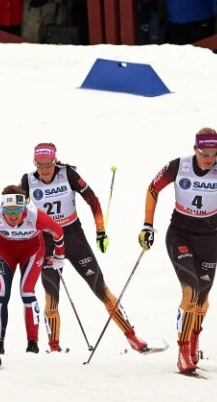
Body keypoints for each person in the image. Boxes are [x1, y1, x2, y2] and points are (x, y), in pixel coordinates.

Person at [138, 128, 217, 374]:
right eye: (204, 153)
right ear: (195, 149)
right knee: (190, 291)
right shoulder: (179, 166)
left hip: (209, 240)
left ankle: (194, 339)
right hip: (179, 235)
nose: (209, 158)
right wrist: (147, 225)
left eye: (214, 153)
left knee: (202, 300)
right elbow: (153, 188)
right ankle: (183, 352)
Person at [20, 143, 149, 354]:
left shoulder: (67, 174)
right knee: (51, 298)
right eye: (39, 165)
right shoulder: (28, 180)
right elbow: (18, 210)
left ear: (55, 161)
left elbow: (92, 200)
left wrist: (100, 231)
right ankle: (54, 348)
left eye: (48, 165)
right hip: (47, 242)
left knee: (101, 288)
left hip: (73, 237)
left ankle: (132, 337)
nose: (44, 170)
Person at [0, 186, 65, 354]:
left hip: (32, 251)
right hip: (4, 252)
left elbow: (58, 232)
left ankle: (33, 342)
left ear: (24, 207)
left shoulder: (34, 215)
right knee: (2, 293)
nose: (13, 215)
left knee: (27, 291)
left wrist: (59, 256)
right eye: (8, 210)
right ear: (2, 208)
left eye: (17, 210)